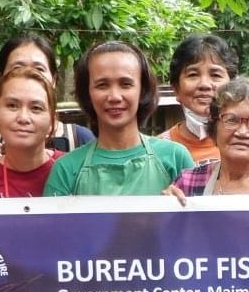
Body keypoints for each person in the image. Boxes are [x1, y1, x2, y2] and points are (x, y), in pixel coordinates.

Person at [43, 41, 192, 196]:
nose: (114, 96)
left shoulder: (175, 158)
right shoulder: (66, 169)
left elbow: (200, 218)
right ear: (87, 93)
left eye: (126, 84)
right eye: (102, 85)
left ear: (143, 90)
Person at [0, 34, 93, 153]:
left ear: (54, 79)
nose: (28, 74)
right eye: (17, 68)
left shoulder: (80, 140)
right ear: (1, 78)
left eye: (39, 69)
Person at [0, 69, 65, 198]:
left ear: (52, 122)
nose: (23, 118)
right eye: (12, 106)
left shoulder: (73, 170)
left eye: (36, 108)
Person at [163, 34, 239, 164]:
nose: (204, 84)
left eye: (215, 75)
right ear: (176, 89)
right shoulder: (158, 150)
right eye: (193, 74)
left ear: (233, 86)